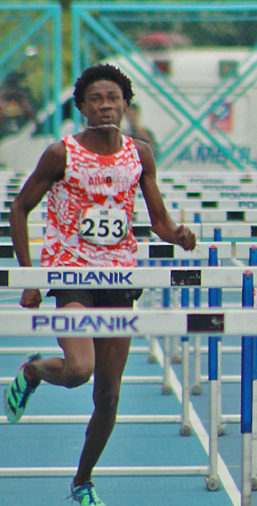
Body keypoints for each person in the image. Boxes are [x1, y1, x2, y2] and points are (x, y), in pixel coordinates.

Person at [4, 63, 196, 506]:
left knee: (108, 394)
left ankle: (82, 482)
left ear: (126, 104)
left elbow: (161, 220)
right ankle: (34, 370)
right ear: (82, 107)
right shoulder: (61, 153)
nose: (105, 105)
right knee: (77, 371)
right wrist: (31, 277)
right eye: (96, 99)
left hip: (119, 278)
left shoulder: (140, 153)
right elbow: (20, 208)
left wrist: (178, 235)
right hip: (70, 276)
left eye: (113, 98)